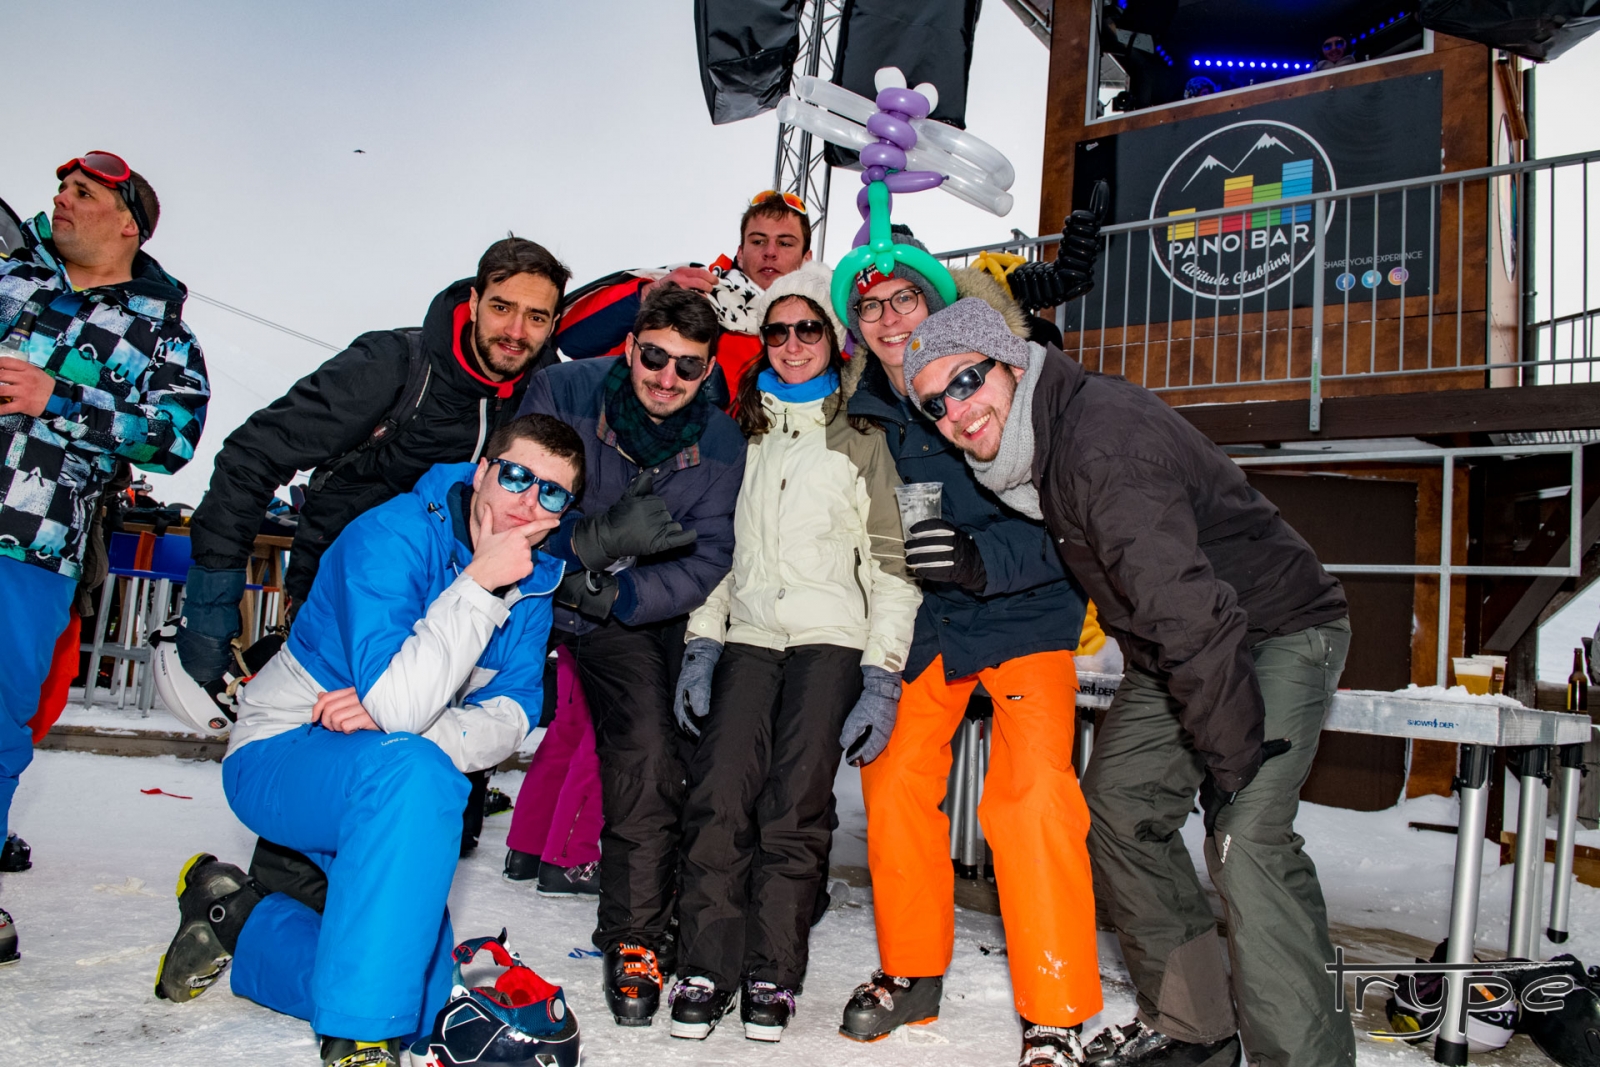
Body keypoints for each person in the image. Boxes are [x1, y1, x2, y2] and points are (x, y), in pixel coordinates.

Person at [903, 299, 1352, 1067]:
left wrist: (1230, 758)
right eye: (935, 403)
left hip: (1272, 628)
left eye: (965, 381)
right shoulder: (1036, 446)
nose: (955, 411)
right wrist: (977, 565)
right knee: (1119, 805)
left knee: (1246, 836)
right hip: (1174, 646)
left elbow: (1188, 607)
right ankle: (1194, 1026)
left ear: (1009, 363)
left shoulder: (1098, 443)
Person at [155, 414, 584, 1067]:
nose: (528, 502)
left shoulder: (537, 580)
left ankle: (241, 921)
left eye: (550, 492)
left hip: (389, 765)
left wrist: (407, 720)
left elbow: (513, 715)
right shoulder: (392, 534)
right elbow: (403, 706)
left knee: (422, 999)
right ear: (482, 472)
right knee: (416, 774)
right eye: (517, 476)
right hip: (282, 753)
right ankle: (359, 1038)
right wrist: (479, 584)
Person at [172, 235, 570, 888]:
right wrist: (212, 602)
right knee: (329, 822)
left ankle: (355, 922)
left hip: (466, 614)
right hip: (353, 606)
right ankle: (255, 907)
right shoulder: (395, 365)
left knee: (428, 831)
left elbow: (563, 498)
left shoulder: (539, 398)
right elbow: (254, 453)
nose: (515, 330)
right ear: (473, 301)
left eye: (536, 316)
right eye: (502, 307)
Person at [839, 237, 1103, 1066]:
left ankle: (1055, 1007)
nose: (889, 318)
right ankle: (912, 969)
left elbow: (1073, 520)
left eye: (905, 299)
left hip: (1026, 606)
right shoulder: (860, 408)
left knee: (1031, 794)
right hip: (929, 619)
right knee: (893, 773)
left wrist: (984, 559)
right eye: (869, 306)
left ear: (938, 301)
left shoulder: (995, 374)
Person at [665, 263, 920, 1043]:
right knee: (718, 794)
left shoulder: (863, 436)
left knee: (794, 804)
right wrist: (702, 641)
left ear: (833, 340)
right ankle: (706, 964)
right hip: (748, 633)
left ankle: (772, 971)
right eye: (777, 329)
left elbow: (892, 562)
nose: (792, 342)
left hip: (831, 639)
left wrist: (882, 673)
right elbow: (717, 548)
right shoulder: (739, 432)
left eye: (809, 327)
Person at [516, 283, 746, 1027]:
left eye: (688, 366)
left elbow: (708, 555)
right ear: (628, 346)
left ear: (708, 370)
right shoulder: (566, 394)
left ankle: (656, 923)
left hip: (635, 609)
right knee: (633, 745)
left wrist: (621, 594)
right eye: (654, 356)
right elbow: (513, 502)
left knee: (677, 743)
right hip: (535, 591)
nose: (666, 377)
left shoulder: (720, 443)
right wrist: (593, 543)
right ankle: (632, 933)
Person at [0, 153, 209, 917]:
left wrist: (58, 397)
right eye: (61, 188)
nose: (61, 198)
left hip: (30, 543)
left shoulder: (160, 332)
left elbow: (173, 437)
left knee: (0, 716)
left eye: (82, 192)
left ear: (127, 224)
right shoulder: (11, 280)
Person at [553, 189, 814, 391]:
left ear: (807, 259)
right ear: (741, 254)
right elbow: (571, 340)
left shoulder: (823, 328)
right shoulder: (694, 295)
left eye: (785, 243)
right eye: (758, 241)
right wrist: (646, 296)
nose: (770, 252)